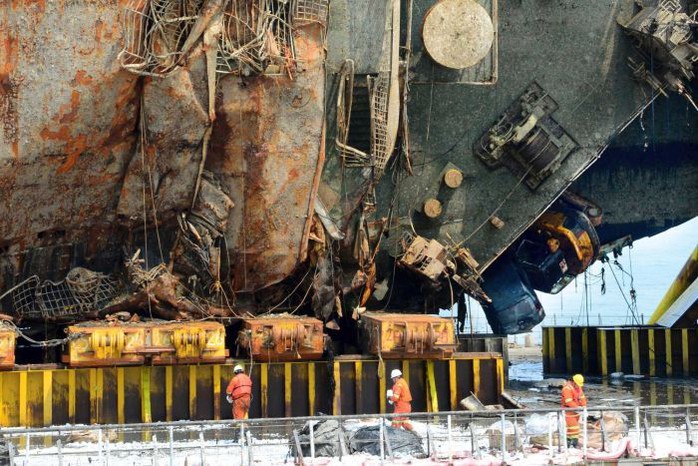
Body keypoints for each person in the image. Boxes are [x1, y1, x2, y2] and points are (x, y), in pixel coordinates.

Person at [561, 373, 587, 448]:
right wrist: (577, 408)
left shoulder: (578, 388)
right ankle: (572, 444)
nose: (579, 386)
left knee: (573, 428)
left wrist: (584, 407)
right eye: (577, 384)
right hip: (568, 410)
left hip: (576, 410)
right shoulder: (567, 388)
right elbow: (568, 401)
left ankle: (571, 444)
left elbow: (582, 398)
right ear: (573, 382)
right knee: (574, 427)